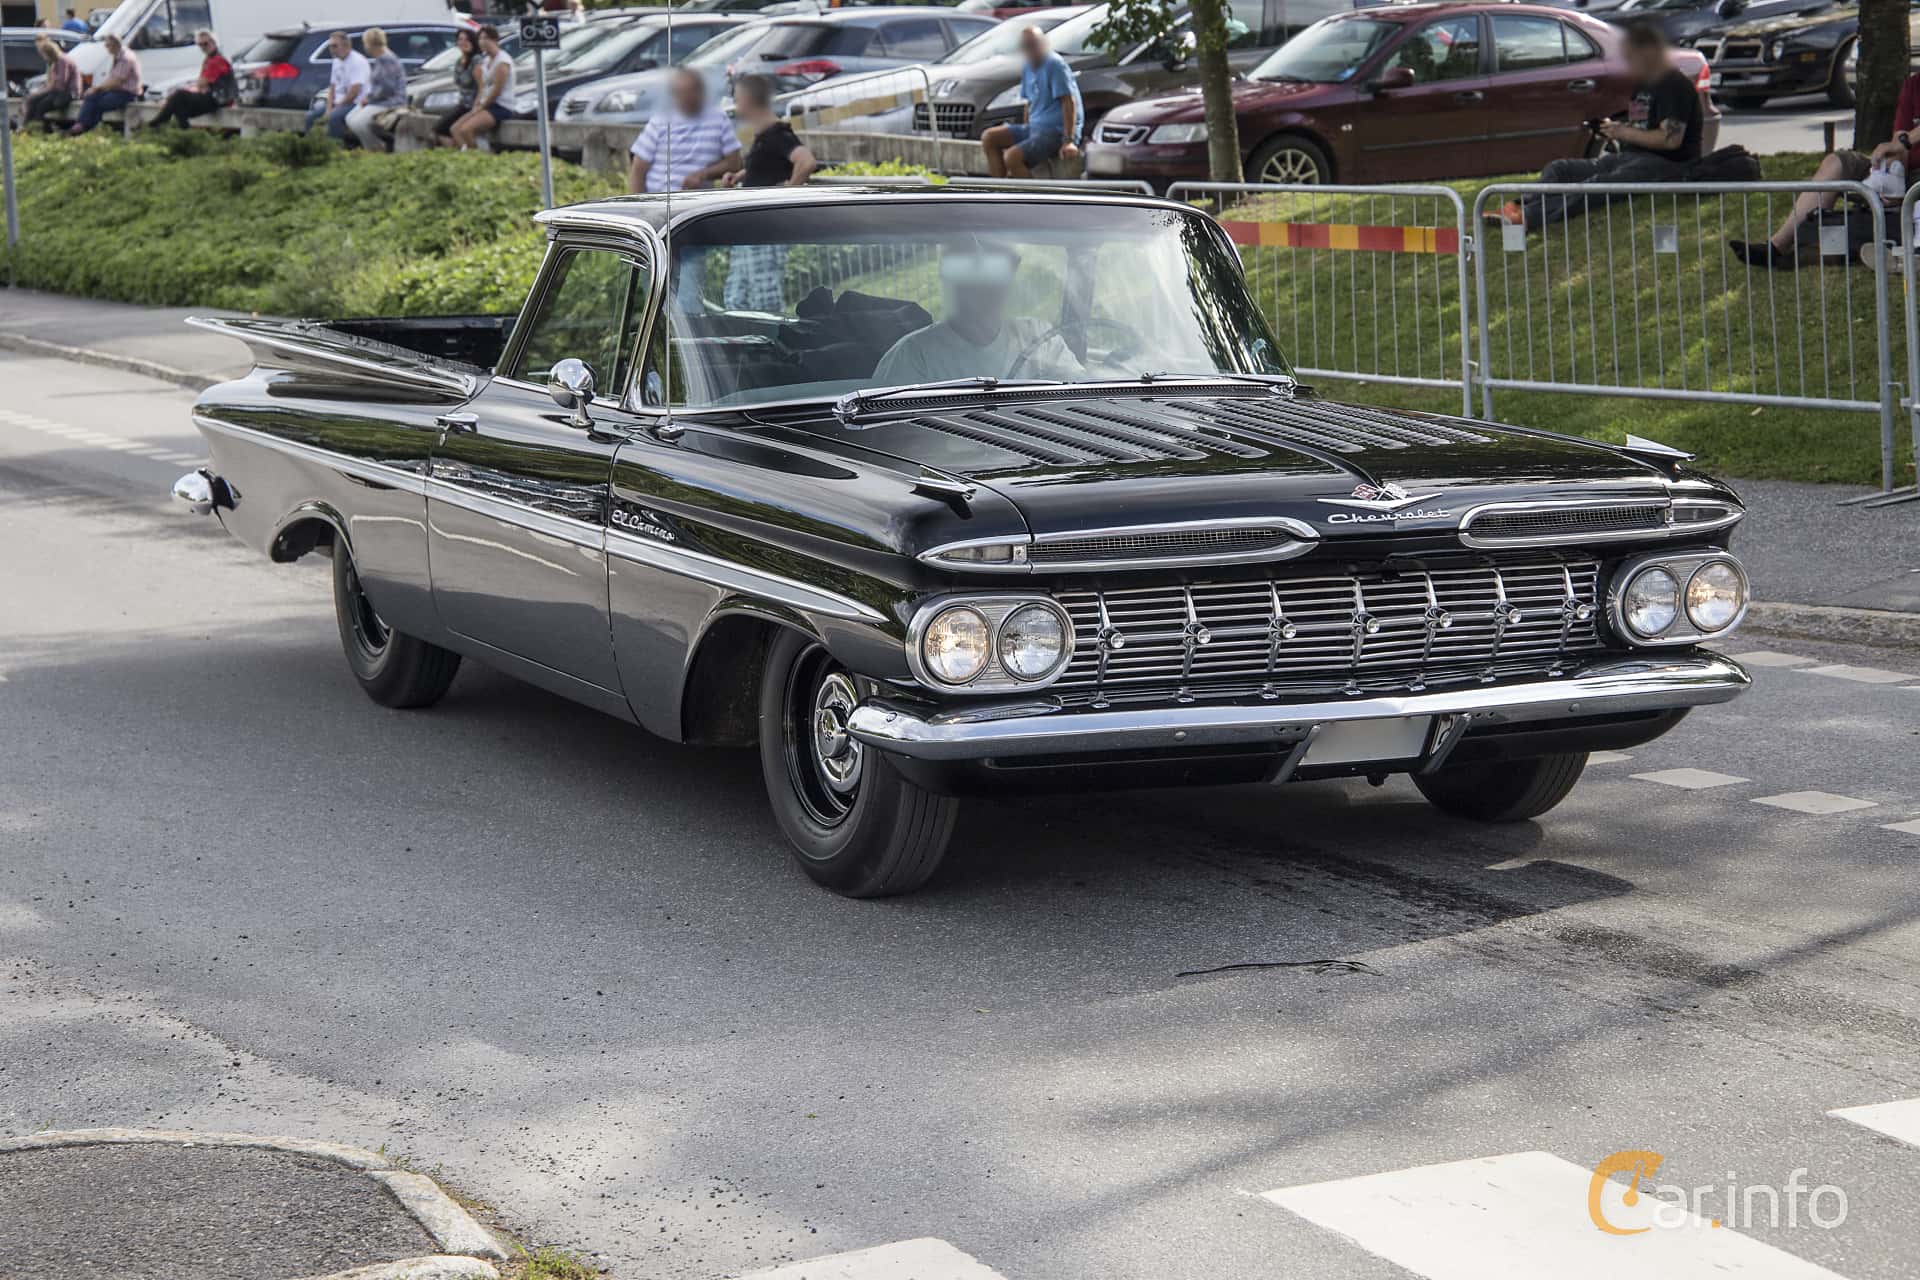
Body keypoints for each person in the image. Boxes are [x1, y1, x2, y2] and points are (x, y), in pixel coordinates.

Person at [1486, 24, 1701, 231]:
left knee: (1595, 185)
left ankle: (1527, 218)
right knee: (1559, 169)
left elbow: (1670, 140)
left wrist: (1624, 132)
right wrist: (1613, 130)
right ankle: (1520, 206)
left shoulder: (1674, 84)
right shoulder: (1644, 84)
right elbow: (1640, 127)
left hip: (1667, 165)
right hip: (1630, 157)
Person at [1729, 69, 1920, 268]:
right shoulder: (1913, 85)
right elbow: (1898, 141)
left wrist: (1904, 143)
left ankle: (1821, 250)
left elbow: (1902, 142)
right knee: (1838, 162)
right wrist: (1892, 176)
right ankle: (1776, 247)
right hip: (1908, 175)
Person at [872, 241, 1083, 385]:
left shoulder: (1039, 338)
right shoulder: (912, 356)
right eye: (975, 277)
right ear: (953, 283)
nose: (987, 289)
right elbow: (894, 438)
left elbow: (1080, 396)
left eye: (997, 275)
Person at [719, 74, 817, 312]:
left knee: (764, 298)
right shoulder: (763, 138)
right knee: (736, 297)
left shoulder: (777, 135)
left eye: (737, 98)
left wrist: (787, 196)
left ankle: (771, 341)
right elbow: (764, 168)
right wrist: (740, 176)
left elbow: (806, 162)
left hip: (764, 228)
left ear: (746, 99)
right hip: (749, 229)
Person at [981, 26, 1081, 180]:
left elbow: (1068, 102)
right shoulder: (1027, 66)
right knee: (989, 137)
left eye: (1034, 44)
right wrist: (1026, 127)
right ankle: (998, 190)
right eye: (1026, 46)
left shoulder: (1054, 64)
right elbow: (1029, 102)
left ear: (1043, 44)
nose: (1031, 49)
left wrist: (1069, 141)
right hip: (1034, 128)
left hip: (1055, 131)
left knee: (1012, 157)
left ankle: (1032, 199)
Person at [627, 68, 739, 194]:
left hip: (697, 203)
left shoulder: (718, 119)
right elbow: (638, 169)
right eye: (681, 93)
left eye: (691, 92)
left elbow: (734, 163)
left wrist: (703, 174)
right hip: (659, 199)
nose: (687, 98)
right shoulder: (660, 121)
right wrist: (640, 204)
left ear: (701, 92)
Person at [147, 29, 233, 129]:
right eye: (200, 45)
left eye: (206, 44)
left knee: (180, 95)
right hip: (213, 97)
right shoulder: (209, 59)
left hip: (220, 99)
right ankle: (185, 134)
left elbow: (202, 84)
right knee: (179, 107)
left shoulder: (217, 60)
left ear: (213, 42)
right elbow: (201, 84)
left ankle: (159, 122)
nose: (203, 47)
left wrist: (194, 88)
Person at [448, 25, 516, 150]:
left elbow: (496, 91)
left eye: (486, 38)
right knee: (455, 129)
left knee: (466, 130)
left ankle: (480, 159)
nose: (482, 42)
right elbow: (482, 88)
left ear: (495, 40)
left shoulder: (502, 62)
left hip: (500, 106)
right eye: (480, 39)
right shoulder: (485, 61)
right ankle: (467, 155)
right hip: (486, 104)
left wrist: (481, 107)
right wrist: (476, 105)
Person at [346, 27, 408, 152]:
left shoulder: (386, 59)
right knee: (350, 118)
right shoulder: (381, 58)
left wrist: (369, 99)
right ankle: (370, 147)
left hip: (392, 101)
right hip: (380, 100)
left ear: (370, 44)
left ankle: (376, 148)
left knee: (359, 122)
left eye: (365, 43)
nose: (364, 46)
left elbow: (387, 88)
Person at [67, 31, 140, 135]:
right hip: (117, 91)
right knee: (91, 97)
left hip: (127, 94)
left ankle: (85, 128)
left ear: (114, 45)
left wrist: (97, 88)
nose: (106, 48)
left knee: (100, 103)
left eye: (108, 45)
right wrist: (95, 90)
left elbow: (116, 81)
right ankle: (82, 126)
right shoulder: (118, 55)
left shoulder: (126, 58)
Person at [304, 31, 369, 142]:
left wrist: (337, 107)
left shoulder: (358, 61)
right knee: (310, 117)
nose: (332, 49)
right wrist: (329, 108)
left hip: (355, 103)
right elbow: (332, 87)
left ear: (346, 45)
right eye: (330, 46)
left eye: (335, 46)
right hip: (338, 103)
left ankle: (335, 149)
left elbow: (355, 91)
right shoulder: (336, 62)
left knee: (334, 118)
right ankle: (312, 146)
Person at [17, 35, 80, 132]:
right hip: (57, 92)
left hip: (67, 93)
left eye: (43, 54)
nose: (43, 57)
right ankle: (26, 127)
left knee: (41, 106)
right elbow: (52, 83)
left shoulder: (62, 61)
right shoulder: (55, 62)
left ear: (49, 53)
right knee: (33, 101)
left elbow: (60, 84)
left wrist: (43, 91)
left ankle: (39, 130)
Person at [434, 28, 479, 147]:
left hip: (473, 104)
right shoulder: (459, 61)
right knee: (440, 129)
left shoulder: (476, 59)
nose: (463, 42)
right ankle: (459, 151)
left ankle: (467, 153)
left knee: (454, 129)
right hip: (463, 102)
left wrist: (469, 55)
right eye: (460, 39)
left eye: (467, 39)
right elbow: (458, 82)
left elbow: (478, 84)